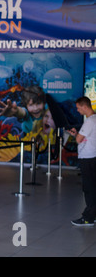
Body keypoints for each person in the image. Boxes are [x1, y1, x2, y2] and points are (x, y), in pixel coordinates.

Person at [67, 96, 96, 227]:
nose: (78, 111)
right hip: (93, 156)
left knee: (89, 188)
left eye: (78, 108)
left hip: (88, 158)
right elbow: (84, 137)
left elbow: (79, 140)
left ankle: (88, 218)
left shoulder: (89, 121)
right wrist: (77, 134)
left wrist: (76, 136)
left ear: (85, 106)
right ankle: (93, 215)